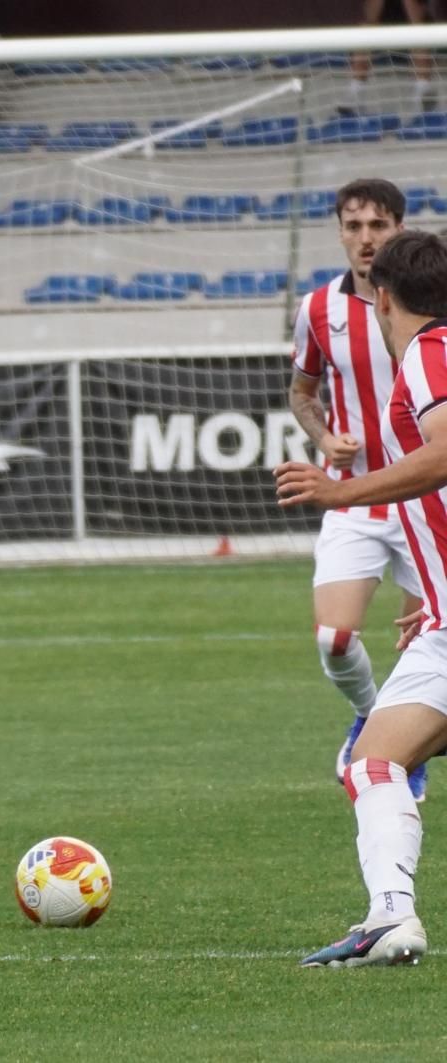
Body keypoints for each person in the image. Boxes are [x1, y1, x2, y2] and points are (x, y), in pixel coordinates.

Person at [275, 229, 447, 967]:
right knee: (375, 761)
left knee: (375, 763)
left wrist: (339, 491)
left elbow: (445, 453)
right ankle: (390, 917)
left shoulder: (430, 353)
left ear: (381, 298)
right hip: (442, 620)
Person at [287, 178, 427, 800]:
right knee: (335, 638)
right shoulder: (318, 309)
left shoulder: (431, 303)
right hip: (355, 497)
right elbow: (302, 393)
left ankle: (403, 751)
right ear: (340, 233)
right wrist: (324, 438)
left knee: (425, 640)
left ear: (399, 228)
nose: (366, 238)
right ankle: (371, 717)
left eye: (378, 225)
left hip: (428, 498)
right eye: (354, 226)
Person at [340, 0, 442, 118]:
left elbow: (417, 18)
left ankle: (422, 91)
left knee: (419, 31)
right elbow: (369, 17)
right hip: (381, 24)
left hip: (412, 23)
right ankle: (356, 91)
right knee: (364, 29)